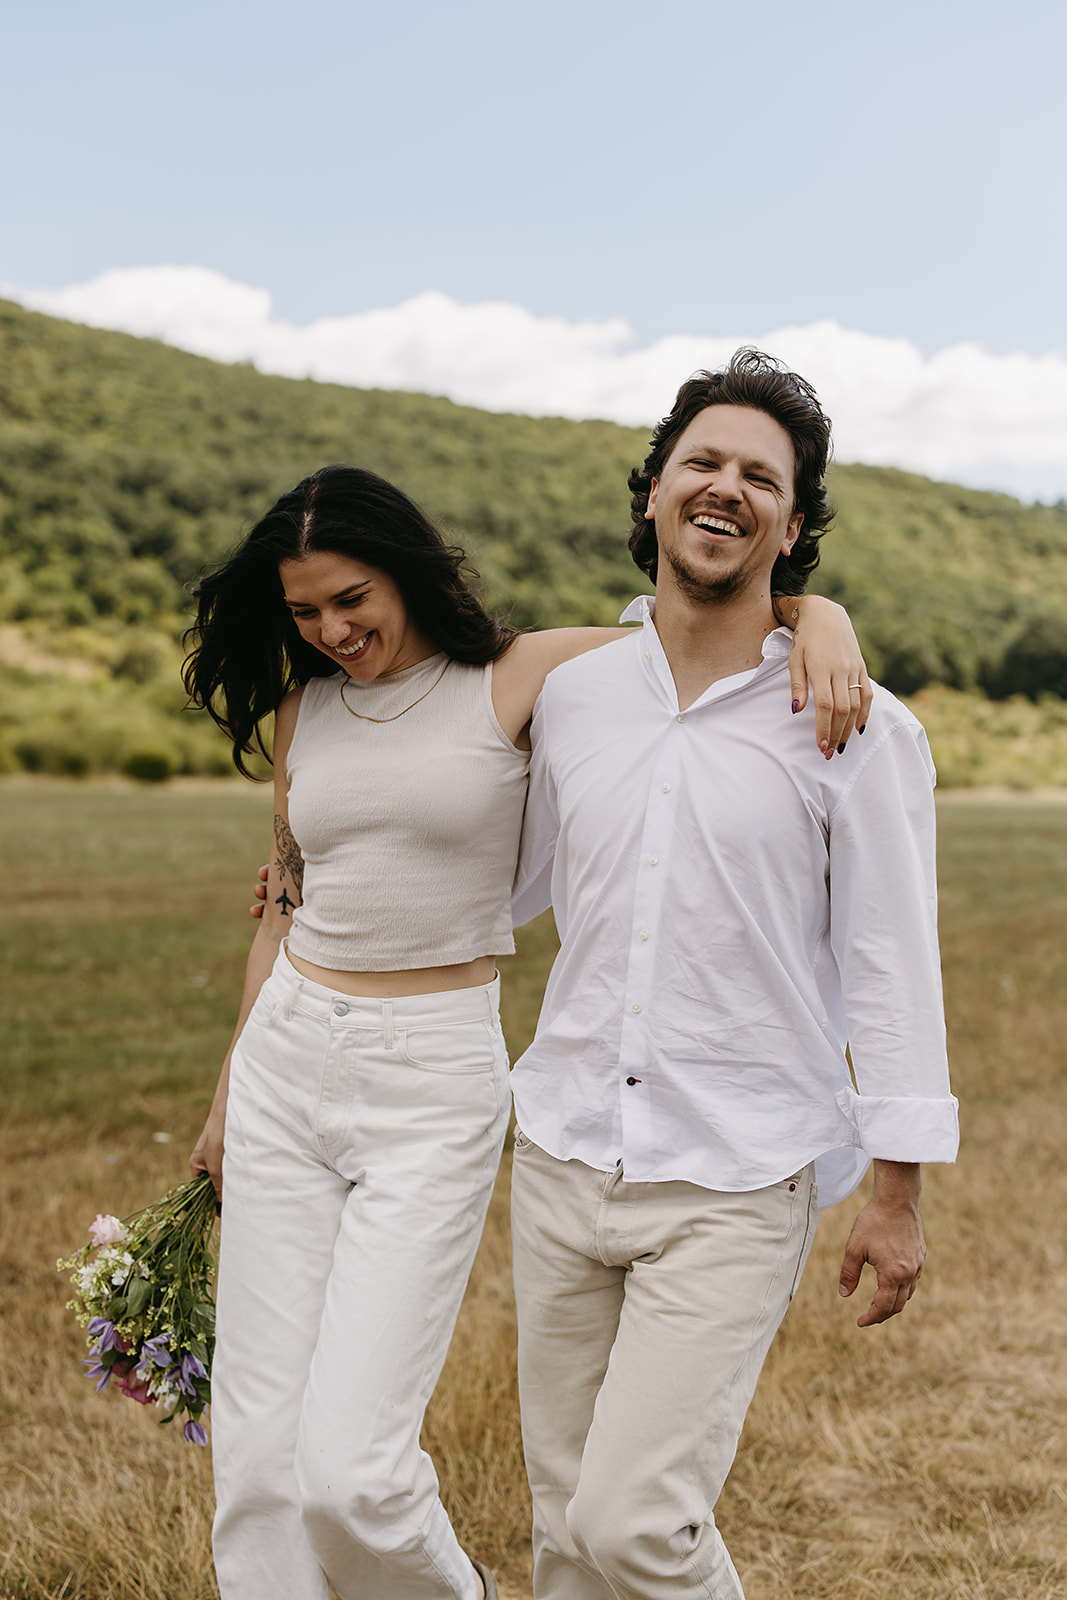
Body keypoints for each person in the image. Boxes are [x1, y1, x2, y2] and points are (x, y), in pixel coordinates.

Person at [185, 461, 870, 1600]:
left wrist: (819, 612)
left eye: (351, 597)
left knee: (348, 1476)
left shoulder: (518, 674)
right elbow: (285, 904)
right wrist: (223, 1098)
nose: (333, 629)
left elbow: (698, 619)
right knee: (257, 1457)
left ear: (402, 570)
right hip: (283, 1062)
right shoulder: (301, 710)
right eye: (304, 612)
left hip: (429, 1076)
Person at [507, 349, 961, 1600]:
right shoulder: (573, 695)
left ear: (793, 521)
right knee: (563, 1529)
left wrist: (897, 1188)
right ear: (651, 490)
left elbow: (890, 963)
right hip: (559, 1148)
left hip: (735, 1165)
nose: (725, 488)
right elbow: (503, 887)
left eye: (759, 477)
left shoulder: (852, 717)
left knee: (636, 1524)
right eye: (700, 462)